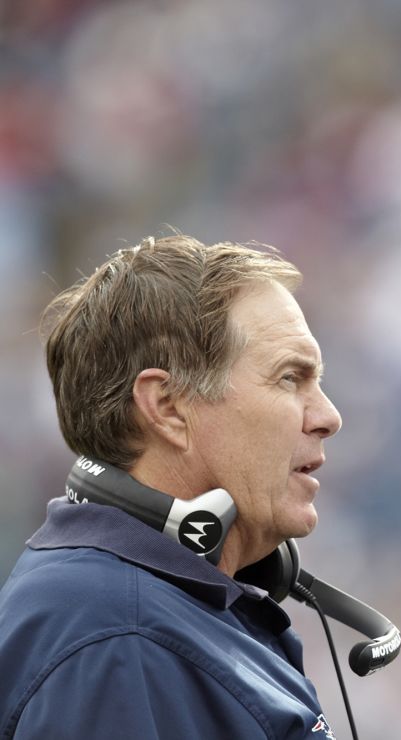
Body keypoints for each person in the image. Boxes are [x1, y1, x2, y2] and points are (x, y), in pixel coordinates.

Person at [0, 236, 344, 738]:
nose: (328, 416)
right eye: (290, 378)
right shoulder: (118, 639)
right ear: (166, 407)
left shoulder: (137, 617)